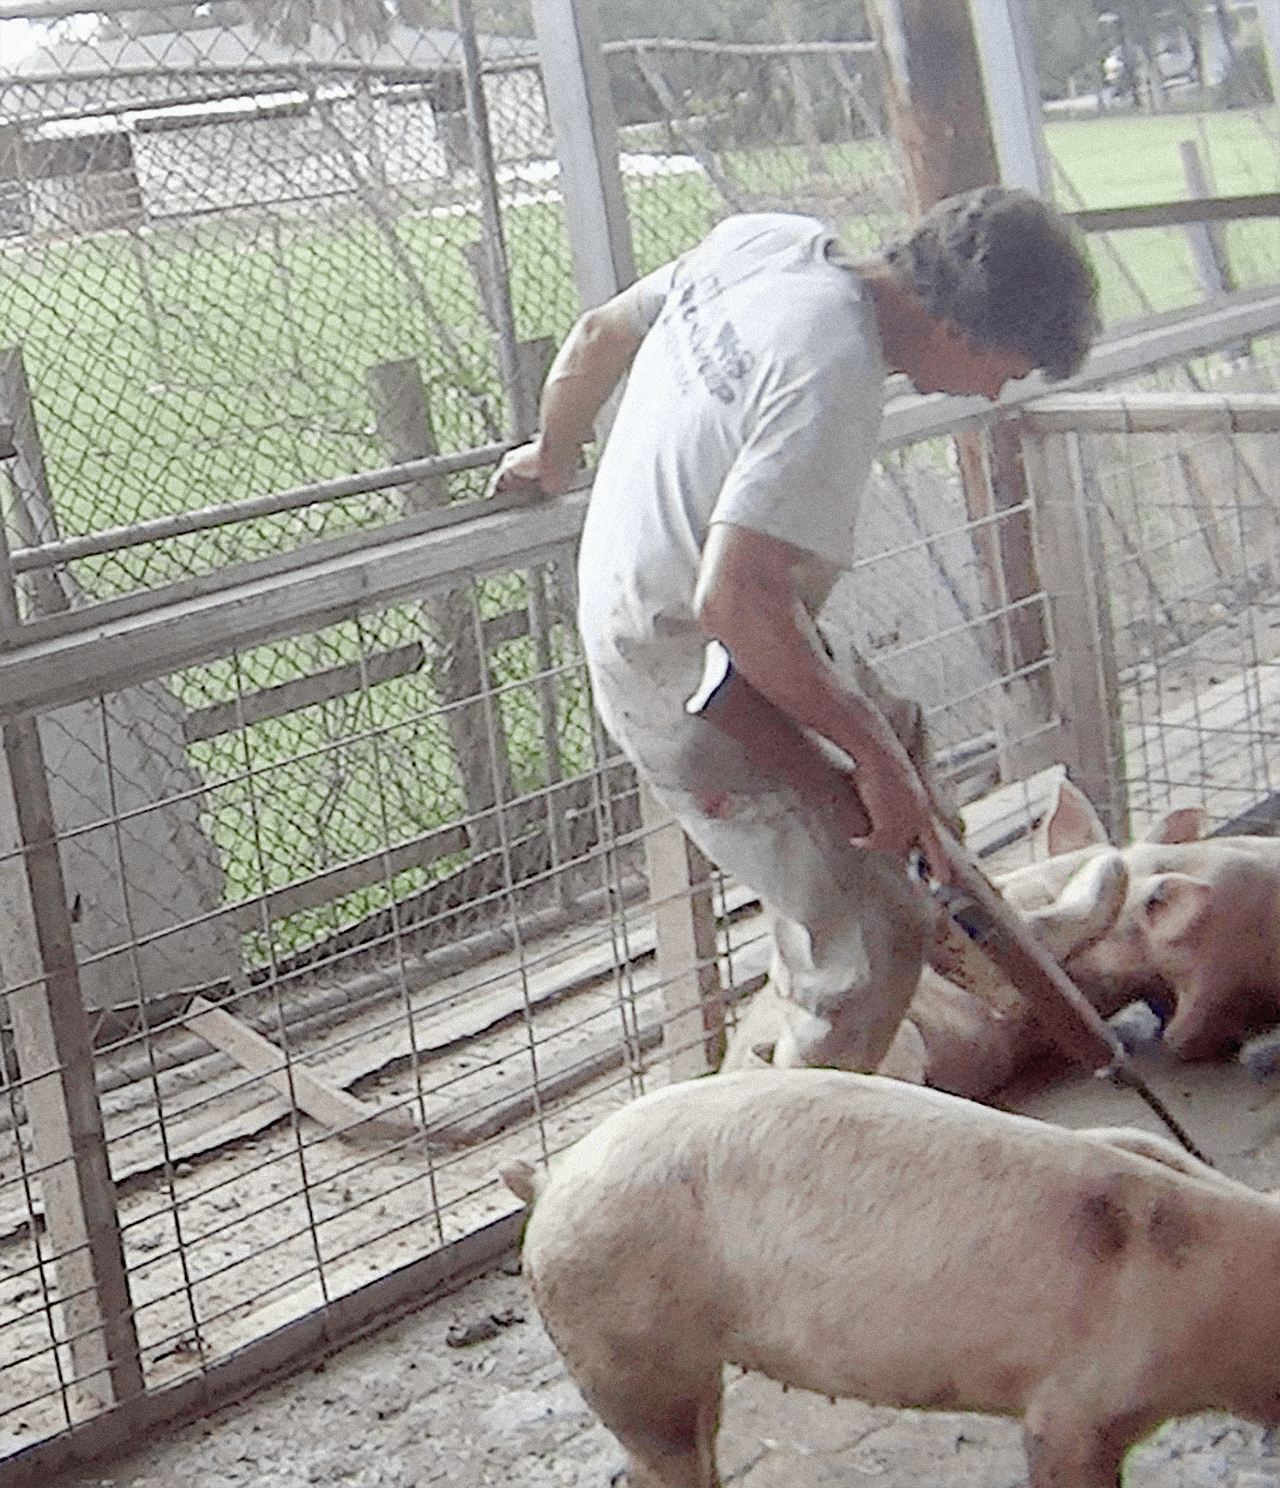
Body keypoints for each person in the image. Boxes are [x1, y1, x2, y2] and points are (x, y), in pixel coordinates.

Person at [490, 185, 1100, 1074]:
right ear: (964, 329)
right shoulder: (835, 372)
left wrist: (553, 451)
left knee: (898, 738)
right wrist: (875, 767)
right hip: (677, 667)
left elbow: (596, 336)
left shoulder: (771, 243)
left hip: (682, 614)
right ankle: (801, 1118)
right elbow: (733, 599)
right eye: (1006, 369)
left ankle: (967, 951)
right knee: (870, 941)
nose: (994, 391)